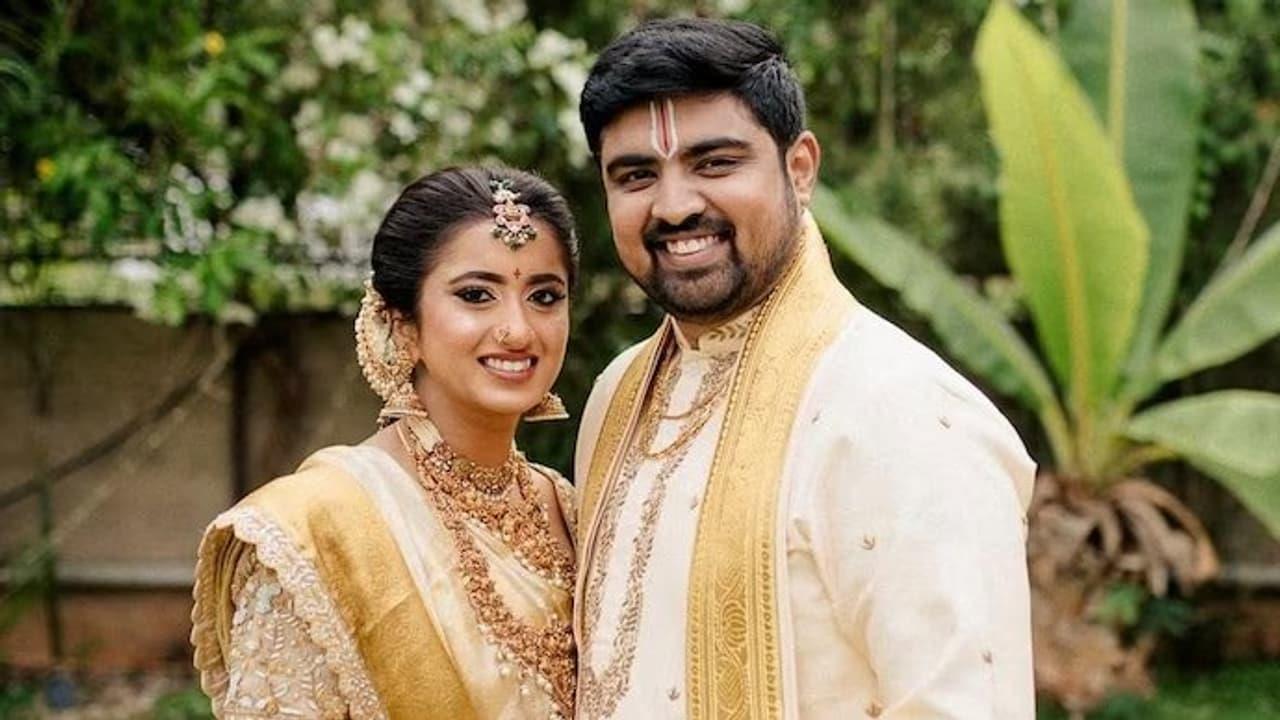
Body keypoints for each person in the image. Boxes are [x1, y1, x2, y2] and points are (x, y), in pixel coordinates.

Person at [573, 18, 1036, 719]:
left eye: (714, 163)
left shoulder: (901, 409)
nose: (674, 206)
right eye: (636, 176)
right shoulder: (619, 393)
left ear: (800, 169)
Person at [191, 166, 580, 720]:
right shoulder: (325, 528)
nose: (518, 330)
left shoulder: (567, 509)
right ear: (402, 326)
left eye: (544, 296)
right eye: (476, 295)